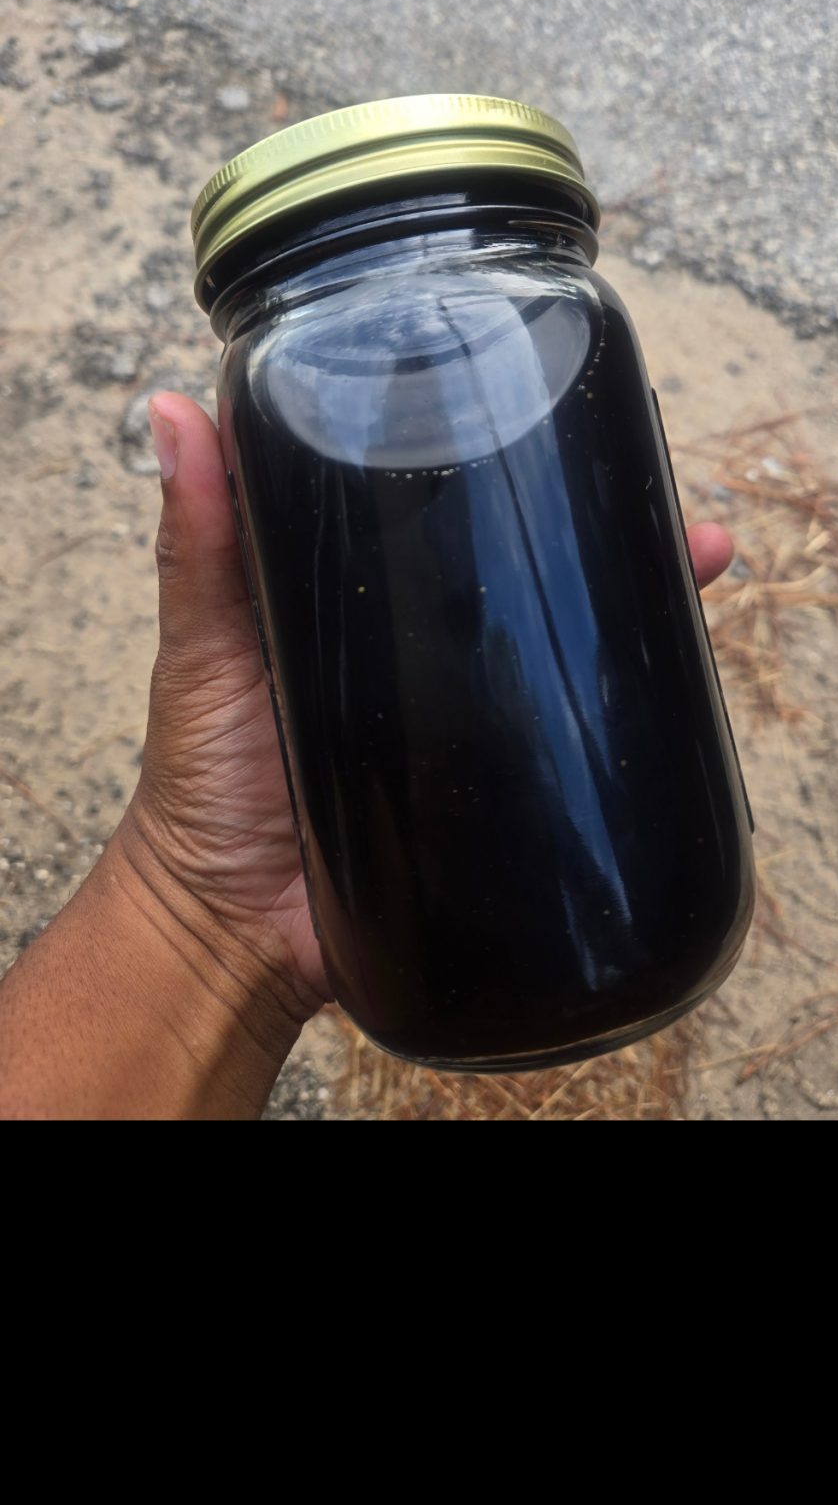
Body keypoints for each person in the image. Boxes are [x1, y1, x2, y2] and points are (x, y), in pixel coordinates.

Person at [0, 394, 734, 1122]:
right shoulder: (277, 381)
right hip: (507, 929)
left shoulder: (278, 385)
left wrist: (202, 920)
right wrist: (204, 910)